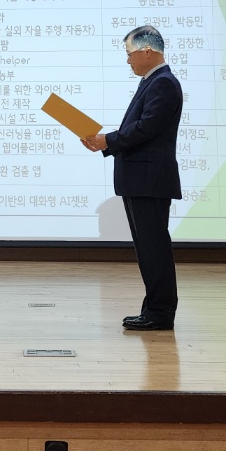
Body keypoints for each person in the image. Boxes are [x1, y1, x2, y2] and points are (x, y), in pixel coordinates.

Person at [81, 24, 184, 331]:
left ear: (147, 52)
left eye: (129, 54)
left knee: (154, 248)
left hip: (149, 180)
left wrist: (107, 141)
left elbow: (146, 128)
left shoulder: (163, 83)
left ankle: (160, 312)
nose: (128, 60)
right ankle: (153, 309)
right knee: (148, 248)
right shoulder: (152, 82)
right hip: (141, 179)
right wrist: (105, 141)